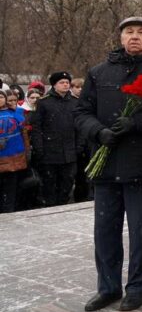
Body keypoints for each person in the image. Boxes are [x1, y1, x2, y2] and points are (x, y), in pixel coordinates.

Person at [75, 16, 142, 312]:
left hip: (141, 165)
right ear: (121, 37)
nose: (135, 37)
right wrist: (98, 131)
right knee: (105, 231)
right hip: (106, 166)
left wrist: (136, 123)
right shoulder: (99, 72)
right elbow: (81, 112)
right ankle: (107, 287)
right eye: (129, 32)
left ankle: (137, 287)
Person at [28, 72, 79, 207]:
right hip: (49, 152)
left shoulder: (75, 102)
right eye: (62, 82)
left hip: (69, 152)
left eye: (67, 82)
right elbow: (37, 128)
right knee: (49, 185)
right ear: (54, 85)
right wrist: (39, 149)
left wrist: (79, 146)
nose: (65, 85)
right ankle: (50, 208)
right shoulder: (44, 103)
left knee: (67, 183)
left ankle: (62, 206)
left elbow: (79, 127)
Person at [0, 88, 29, 213]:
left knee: (10, 190)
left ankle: (9, 213)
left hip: (13, 158)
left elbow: (24, 134)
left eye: (1, 97)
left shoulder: (17, 113)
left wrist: (28, 152)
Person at [69, 77, 92, 203]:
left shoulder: (86, 101)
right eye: (77, 87)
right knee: (78, 175)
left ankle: (86, 196)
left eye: (81, 87)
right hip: (75, 142)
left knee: (86, 174)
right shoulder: (72, 102)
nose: (80, 90)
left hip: (87, 141)